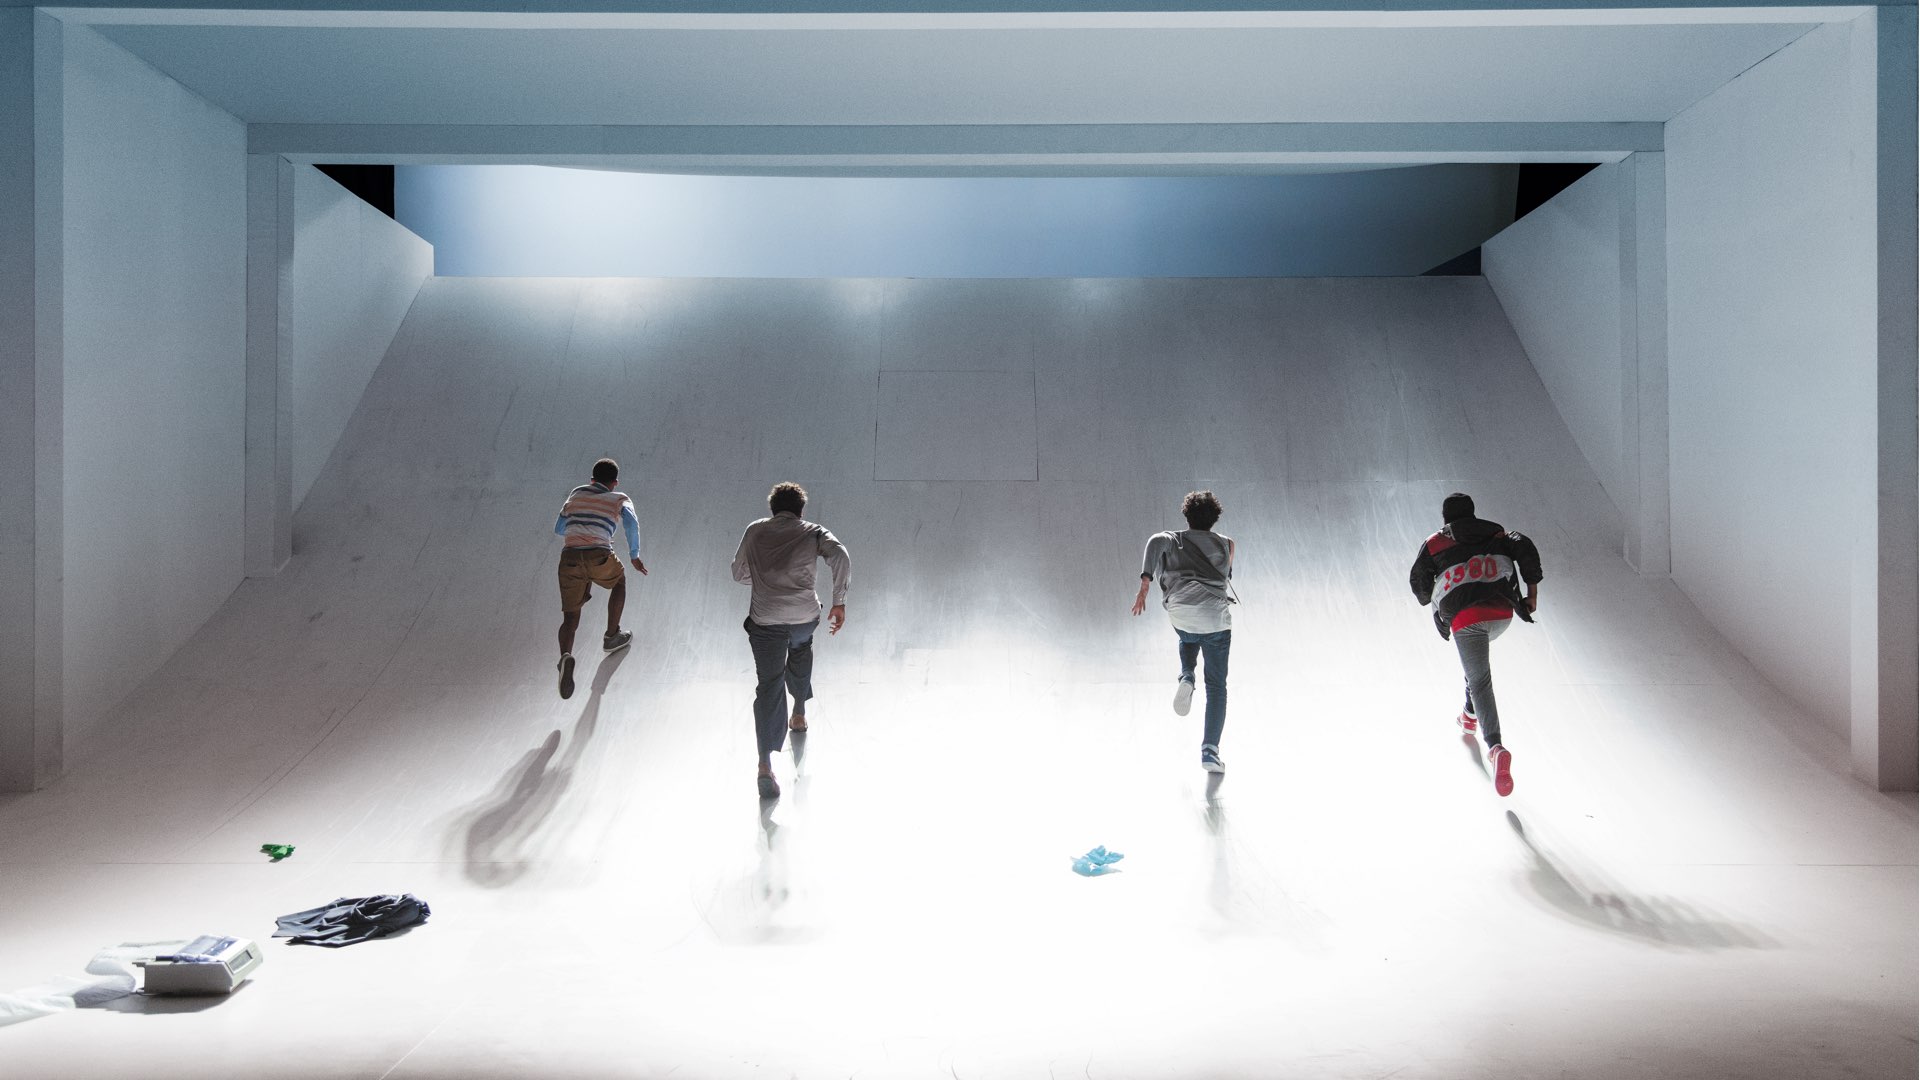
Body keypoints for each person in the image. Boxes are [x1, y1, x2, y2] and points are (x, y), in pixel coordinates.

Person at [1408, 492, 1542, 797]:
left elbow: (1420, 587)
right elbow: (1525, 546)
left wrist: (1435, 594)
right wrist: (1531, 595)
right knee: (1475, 666)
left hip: (1467, 617)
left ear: (1446, 519)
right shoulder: (1496, 531)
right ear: (1473, 514)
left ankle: (1495, 747)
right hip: (1502, 611)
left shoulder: (1434, 542)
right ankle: (1468, 716)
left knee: (1480, 678)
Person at [732, 482, 851, 799]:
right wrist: (838, 600)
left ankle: (764, 766)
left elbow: (737, 571)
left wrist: (761, 578)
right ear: (801, 510)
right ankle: (798, 712)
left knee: (768, 685)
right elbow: (840, 556)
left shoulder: (755, 530)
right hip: (803, 617)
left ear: (772, 509)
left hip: (766, 620)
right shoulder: (813, 531)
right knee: (800, 650)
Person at [1132, 491, 1236, 774]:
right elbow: (1226, 576)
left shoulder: (1172, 538)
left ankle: (1187, 674)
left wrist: (1146, 582)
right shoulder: (1227, 544)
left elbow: (1154, 542)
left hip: (1181, 614)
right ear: (1214, 519)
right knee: (1216, 687)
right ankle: (1210, 752)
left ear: (1186, 516)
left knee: (1188, 633)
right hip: (1215, 620)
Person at [552, 458, 646, 700]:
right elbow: (631, 524)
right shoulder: (620, 498)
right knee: (619, 581)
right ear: (615, 483)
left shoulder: (576, 493)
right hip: (599, 554)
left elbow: (559, 528)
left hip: (569, 558)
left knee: (570, 616)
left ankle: (565, 656)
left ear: (591, 480)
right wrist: (635, 555)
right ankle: (612, 635)